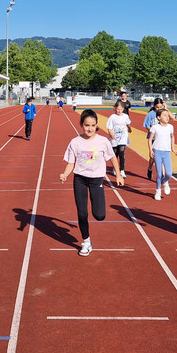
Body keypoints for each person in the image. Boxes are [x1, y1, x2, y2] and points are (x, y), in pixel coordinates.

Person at [59, 109, 124, 256]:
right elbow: (70, 163)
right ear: (82, 124)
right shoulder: (75, 142)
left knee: (99, 215)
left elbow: (113, 158)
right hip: (79, 179)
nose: (90, 128)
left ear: (96, 125)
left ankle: (98, 209)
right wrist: (65, 174)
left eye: (93, 125)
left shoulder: (103, 141)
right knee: (82, 213)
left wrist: (118, 175)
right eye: (87, 125)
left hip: (96, 180)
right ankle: (86, 242)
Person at [148, 107, 177, 200]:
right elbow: (150, 140)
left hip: (166, 152)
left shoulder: (170, 127)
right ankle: (157, 191)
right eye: (164, 116)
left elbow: (172, 137)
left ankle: (165, 182)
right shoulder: (155, 127)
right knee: (159, 173)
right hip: (157, 151)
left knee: (169, 174)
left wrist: (173, 148)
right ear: (158, 117)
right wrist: (150, 150)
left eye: (168, 116)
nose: (167, 117)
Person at [105, 99, 133, 176]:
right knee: (115, 153)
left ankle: (122, 170)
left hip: (123, 137)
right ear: (115, 109)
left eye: (121, 109)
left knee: (121, 152)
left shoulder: (125, 116)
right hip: (114, 137)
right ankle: (115, 168)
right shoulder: (112, 117)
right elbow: (109, 127)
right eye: (118, 109)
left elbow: (128, 124)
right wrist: (111, 134)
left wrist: (130, 128)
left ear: (123, 109)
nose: (119, 111)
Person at [143, 98, 165, 180]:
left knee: (161, 157)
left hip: (161, 139)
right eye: (157, 107)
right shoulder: (150, 114)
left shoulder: (163, 113)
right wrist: (153, 132)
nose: (158, 109)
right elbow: (147, 125)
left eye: (160, 107)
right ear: (154, 106)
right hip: (153, 138)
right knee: (153, 157)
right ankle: (150, 168)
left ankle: (161, 175)